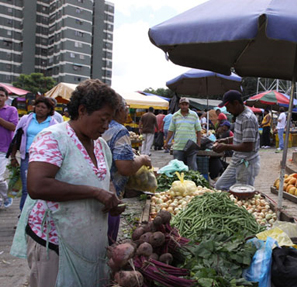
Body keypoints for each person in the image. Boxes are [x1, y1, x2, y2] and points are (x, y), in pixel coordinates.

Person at [10, 79, 123, 287]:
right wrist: (95, 193)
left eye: (109, 120)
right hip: (54, 241)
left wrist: (110, 196)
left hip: (89, 240)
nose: (106, 126)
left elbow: (103, 179)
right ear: (82, 110)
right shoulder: (53, 138)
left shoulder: (101, 145)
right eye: (103, 119)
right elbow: (37, 186)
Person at [102, 95, 152, 245]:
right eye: (126, 110)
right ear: (119, 110)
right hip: (110, 196)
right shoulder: (119, 130)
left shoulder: (96, 126)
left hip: (94, 192)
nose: (127, 114)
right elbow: (125, 167)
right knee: (106, 243)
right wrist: (142, 159)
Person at [10, 97, 59, 211]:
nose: (40, 109)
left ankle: (36, 215)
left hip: (44, 159)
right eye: (38, 106)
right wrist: (13, 156)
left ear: (49, 110)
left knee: (40, 188)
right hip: (27, 157)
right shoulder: (26, 119)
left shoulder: (53, 123)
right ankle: (23, 217)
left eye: (43, 107)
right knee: (27, 188)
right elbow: (16, 138)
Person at [213, 90, 260, 191]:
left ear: (236, 103)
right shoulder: (239, 116)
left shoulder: (247, 118)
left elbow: (248, 146)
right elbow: (240, 137)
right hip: (237, 160)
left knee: (242, 193)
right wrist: (226, 140)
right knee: (220, 186)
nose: (227, 110)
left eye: (228, 107)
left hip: (246, 164)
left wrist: (226, 146)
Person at [164, 98, 202, 170]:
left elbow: (199, 130)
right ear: (179, 105)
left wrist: (198, 144)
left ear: (188, 105)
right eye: (182, 104)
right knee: (178, 168)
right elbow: (171, 130)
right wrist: (166, 142)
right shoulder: (175, 115)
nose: (184, 106)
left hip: (191, 146)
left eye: (186, 104)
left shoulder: (194, 115)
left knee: (192, 168)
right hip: (178, 146)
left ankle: (191, 181)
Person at [0, 86, 18, 208]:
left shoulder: (11, 110)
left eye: (1, 95)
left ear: (6, 97)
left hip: (4, 149)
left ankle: (6, 197)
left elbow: (13, 127)